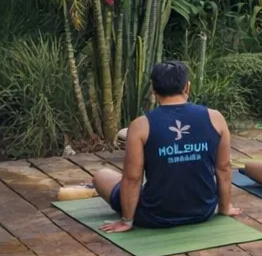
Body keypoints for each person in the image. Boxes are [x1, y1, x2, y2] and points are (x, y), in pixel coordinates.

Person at [88, 61, 240, 231]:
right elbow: (224, 168)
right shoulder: (216, 118)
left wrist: (127, 221)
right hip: (203, 211)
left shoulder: (140, 125)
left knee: (102, 176)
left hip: (154, 216)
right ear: (187, 87)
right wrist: (225, 208)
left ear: (153, 90)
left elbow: (133, 178)